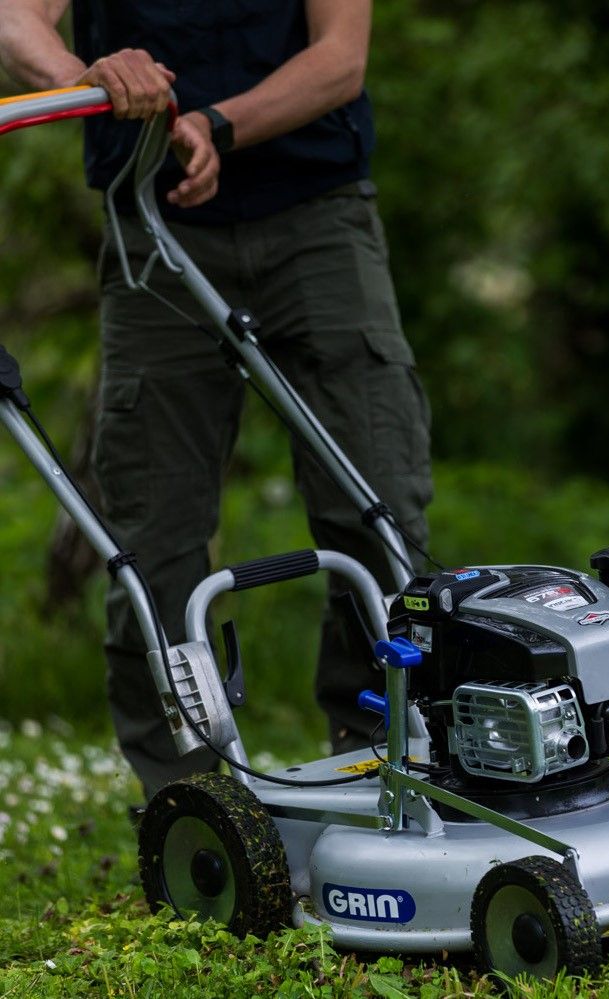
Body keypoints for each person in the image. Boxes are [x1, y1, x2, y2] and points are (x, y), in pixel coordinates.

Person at [0, 0, 433, 798]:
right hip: (153, 228)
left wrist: (212, 124)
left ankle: (387, 749)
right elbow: (13, 19)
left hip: (318, 219)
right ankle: (191, 800)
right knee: (151, 537)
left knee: (380, 501)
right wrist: (85, 82)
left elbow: (341, 58)